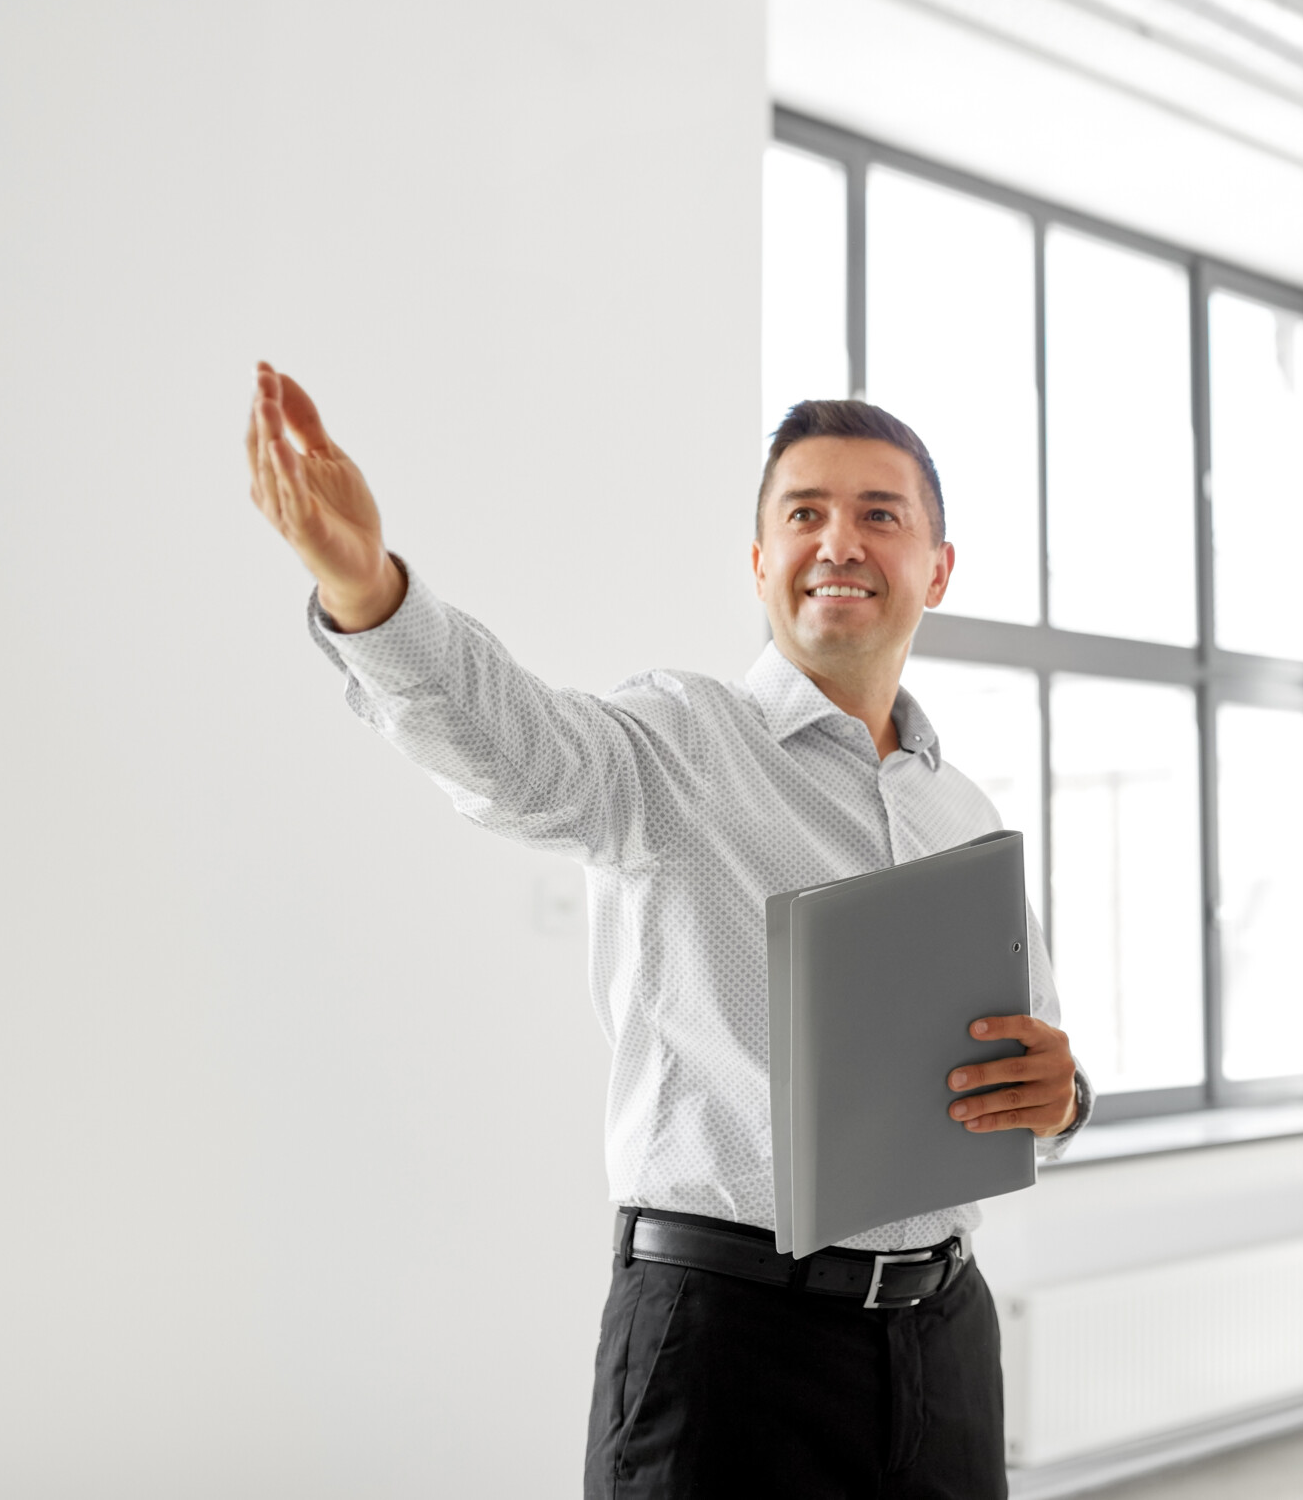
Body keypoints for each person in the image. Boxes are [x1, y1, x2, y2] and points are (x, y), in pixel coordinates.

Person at [242, 365, 1089, 1500]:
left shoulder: (965, 814)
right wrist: (370, 594)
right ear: (759, 564)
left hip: (942, 1341)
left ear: (936, 569)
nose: (839, 541)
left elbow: (1033, 1072)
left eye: (879, 516)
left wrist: (1064, 1099)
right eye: (805, 514)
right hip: (729, 1349)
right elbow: (517, 753)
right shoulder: (682, 743)